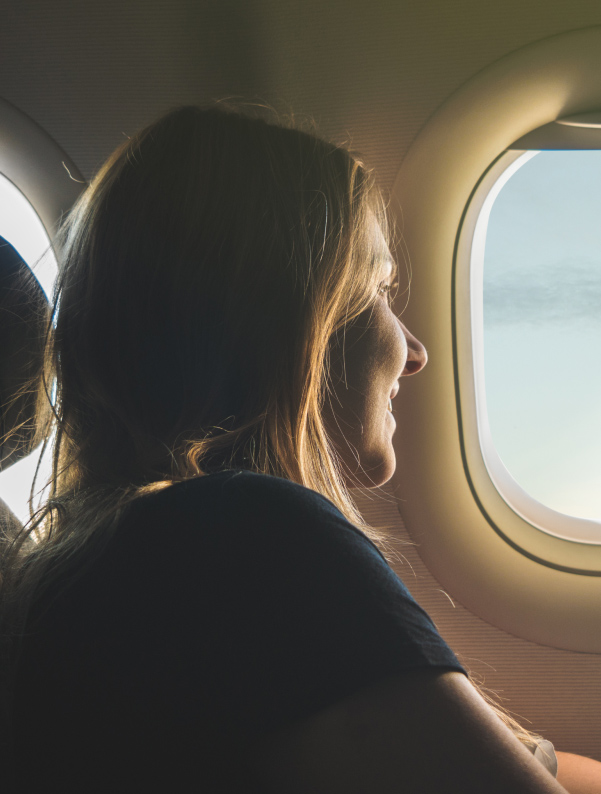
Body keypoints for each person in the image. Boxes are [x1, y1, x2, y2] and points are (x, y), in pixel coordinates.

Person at [0, 103, 595, 793]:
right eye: (377, 289)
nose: (418, 353)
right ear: (283, 326)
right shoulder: (243, 538)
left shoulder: (132, 554)